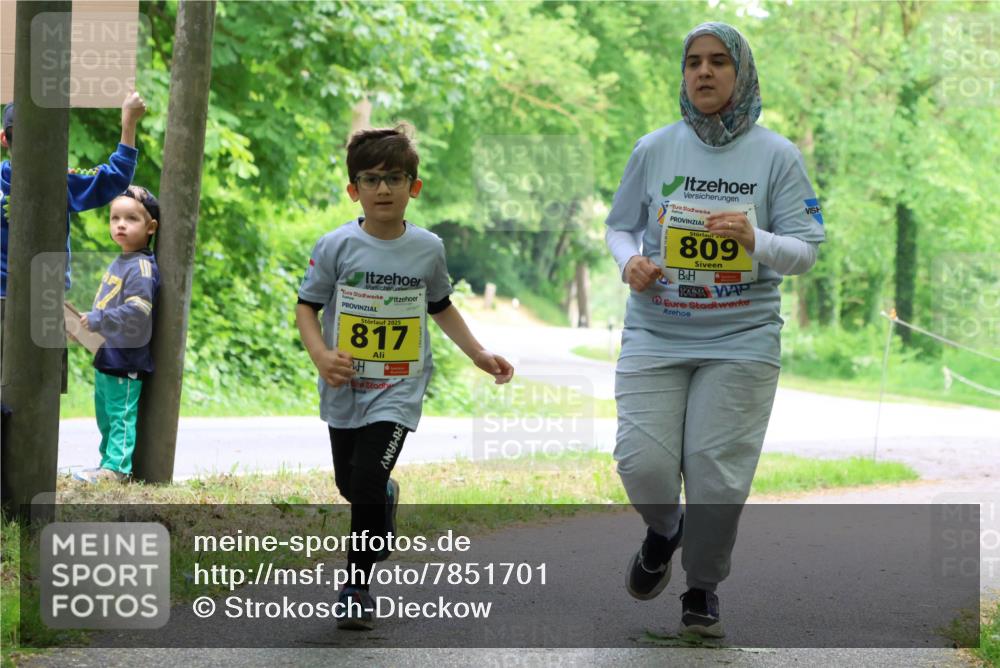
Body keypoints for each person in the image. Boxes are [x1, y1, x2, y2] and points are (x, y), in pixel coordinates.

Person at [604, 22, 825, 638]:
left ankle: (701, 588)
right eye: (693, 62)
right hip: (658, 331)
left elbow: (806, 251)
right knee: (642, 464)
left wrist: (756, 240)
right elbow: (620, 225)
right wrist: (630, 261)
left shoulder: (777, 155)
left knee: (714, 471)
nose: (703, 72)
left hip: (741, 339)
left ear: (742, 73)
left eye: (719, 62)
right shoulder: (654, 147)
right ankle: (665, 530)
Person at [296, 124, 514, 630]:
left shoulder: (427, 249)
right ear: (354, 190)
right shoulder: (335, 246)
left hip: (399, 385)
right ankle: (386, 501)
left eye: (395, 178)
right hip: (346, 385)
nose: (384, 189)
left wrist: (479, 353)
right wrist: (321, 356)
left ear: (414, 187)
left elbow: (441, 306)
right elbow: (307, 308)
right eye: (371, 180)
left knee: (368, 477)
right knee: (352, 484)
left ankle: (356, 586)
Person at [1, 91, 147, 389]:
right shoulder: (61, 182)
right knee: (40, 397)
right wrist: (128, 122)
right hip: (44, 305)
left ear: (4, 139)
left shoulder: (59, 180)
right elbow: (116, 177)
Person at [73, 186, 160, 483]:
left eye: (131, 219)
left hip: (127, 356)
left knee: (120, 415)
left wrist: (99, 319)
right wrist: (85, 326)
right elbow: (107, 305)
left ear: (150, 228)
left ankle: (117, 469)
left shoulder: (141, 266)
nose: (120, 224)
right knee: (107, 417)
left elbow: (138, 310)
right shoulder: (120, 261)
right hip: (108, 353)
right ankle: (106, 464)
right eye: (115, 218)